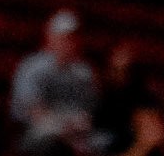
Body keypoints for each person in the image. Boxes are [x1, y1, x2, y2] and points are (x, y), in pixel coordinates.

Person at [10, 10, 98, 145]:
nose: (69, 43)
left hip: (77, 133)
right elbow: (33, 110)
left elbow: (88, 110)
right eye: (64, 37)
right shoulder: (32, 67)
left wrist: (79, 124)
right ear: (50, 37)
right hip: (38, 132)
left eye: (73, 38)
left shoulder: (84, 73)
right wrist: (60, 127)